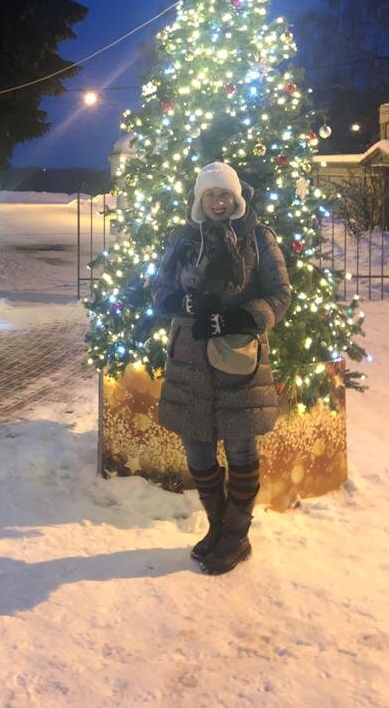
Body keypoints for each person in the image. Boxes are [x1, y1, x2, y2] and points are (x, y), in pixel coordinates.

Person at [151, 161, 291, 575]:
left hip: (239, 358)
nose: (217, 202)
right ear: (200, 198)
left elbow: (280, 295)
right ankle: (218, 527)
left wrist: (234, 319)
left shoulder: (259, 238)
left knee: (241, 448)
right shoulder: (183, 238)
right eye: (210, 194)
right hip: (189, 359)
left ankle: (236, 536)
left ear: (236, 198)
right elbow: (159, 289)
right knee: (197, 449)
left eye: (224, 194)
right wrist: (185, 303)